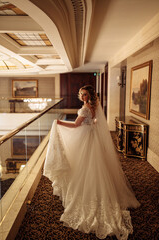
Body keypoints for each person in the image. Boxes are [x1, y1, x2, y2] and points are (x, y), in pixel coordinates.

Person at [43, 85, 140, 240]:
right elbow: (92, 122)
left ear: (90, 95)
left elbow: (76, 125)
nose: (82, 96)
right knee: (94, 167)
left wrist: (59, 122)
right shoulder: (92, 107)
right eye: (81, 94)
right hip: (90, 136)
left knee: (85, 166)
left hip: (86, 138)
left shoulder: (85, 109)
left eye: (85, 94)